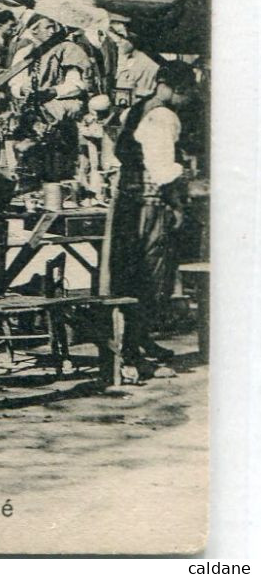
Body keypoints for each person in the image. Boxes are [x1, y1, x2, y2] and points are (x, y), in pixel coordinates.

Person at [108, 61, 199, 381]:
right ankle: (134, 353)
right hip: (150, 206)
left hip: (129, 202)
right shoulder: (163, 116)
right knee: (150, 279)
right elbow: (162, 170)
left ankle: (139, 342)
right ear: (177, 88)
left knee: (131, 274)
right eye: (188, 92)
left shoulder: (138, 108)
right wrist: (178, 198)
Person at [112, 28, 160, 107]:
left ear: (134, 40)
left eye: (122, 38)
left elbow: (142, 97)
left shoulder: (145, 64)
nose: (117, 41)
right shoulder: (130, 60)